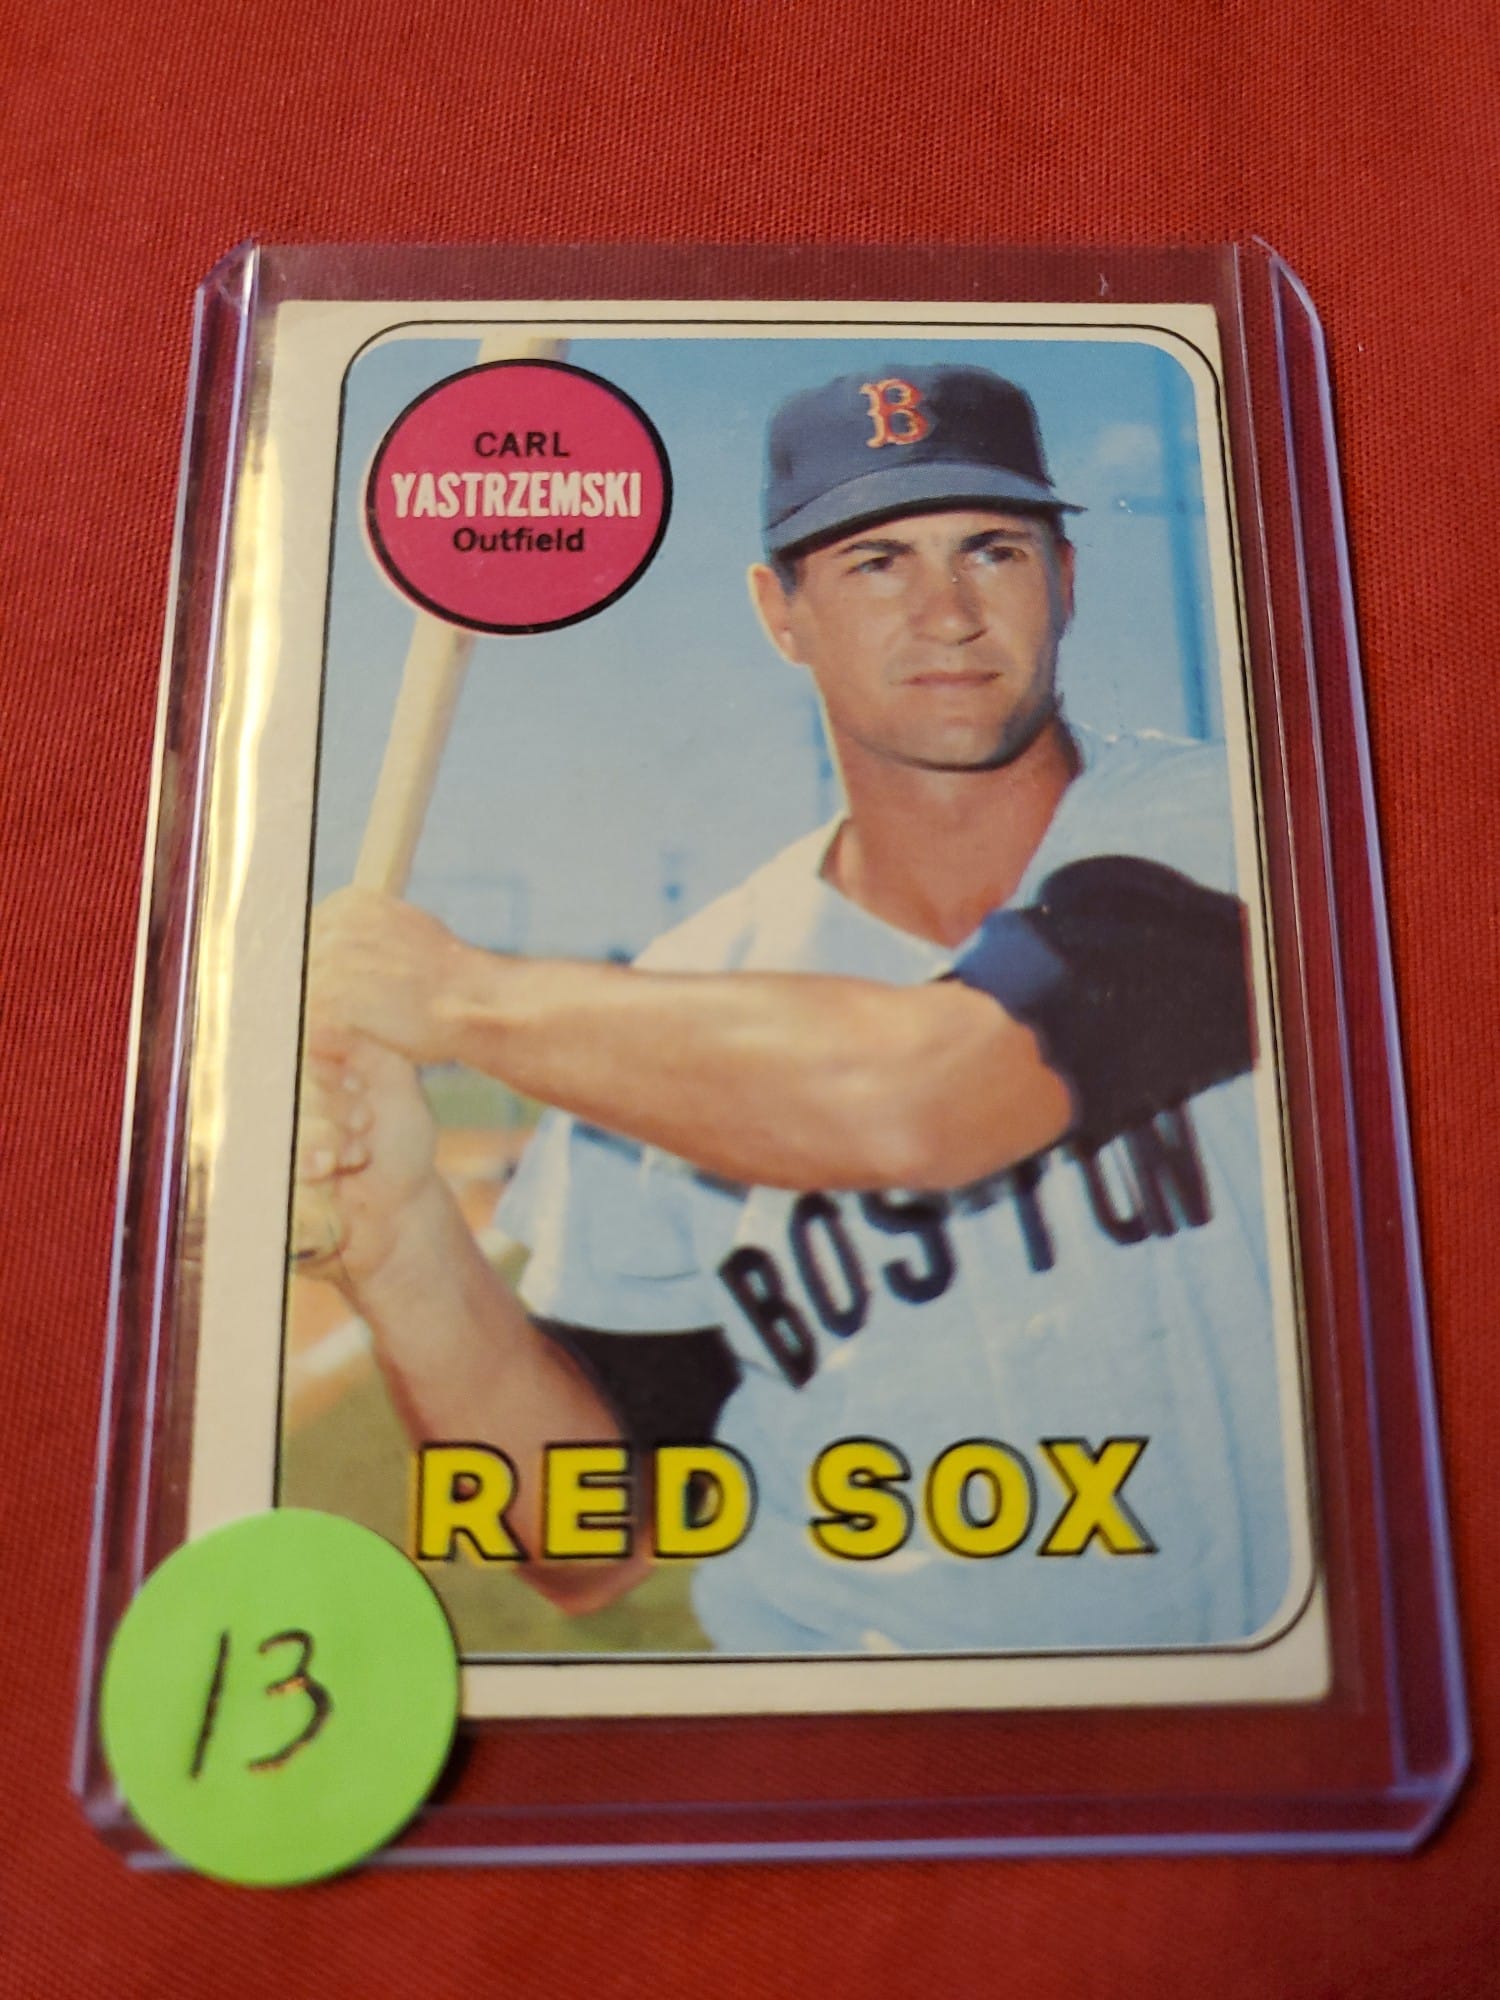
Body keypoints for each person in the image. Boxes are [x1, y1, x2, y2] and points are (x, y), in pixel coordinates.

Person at [299, 363, 1294, 1655]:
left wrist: (455, 996)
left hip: (1226, 1711)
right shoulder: (674, 1015)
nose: (947, 614)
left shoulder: (1234, 832)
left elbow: (925, 1093)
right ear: (782, 614)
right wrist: (399, 1245)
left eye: (991, 550)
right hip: (849, 1727)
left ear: (1063, 577)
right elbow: (588, 1541)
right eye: (877, 562)